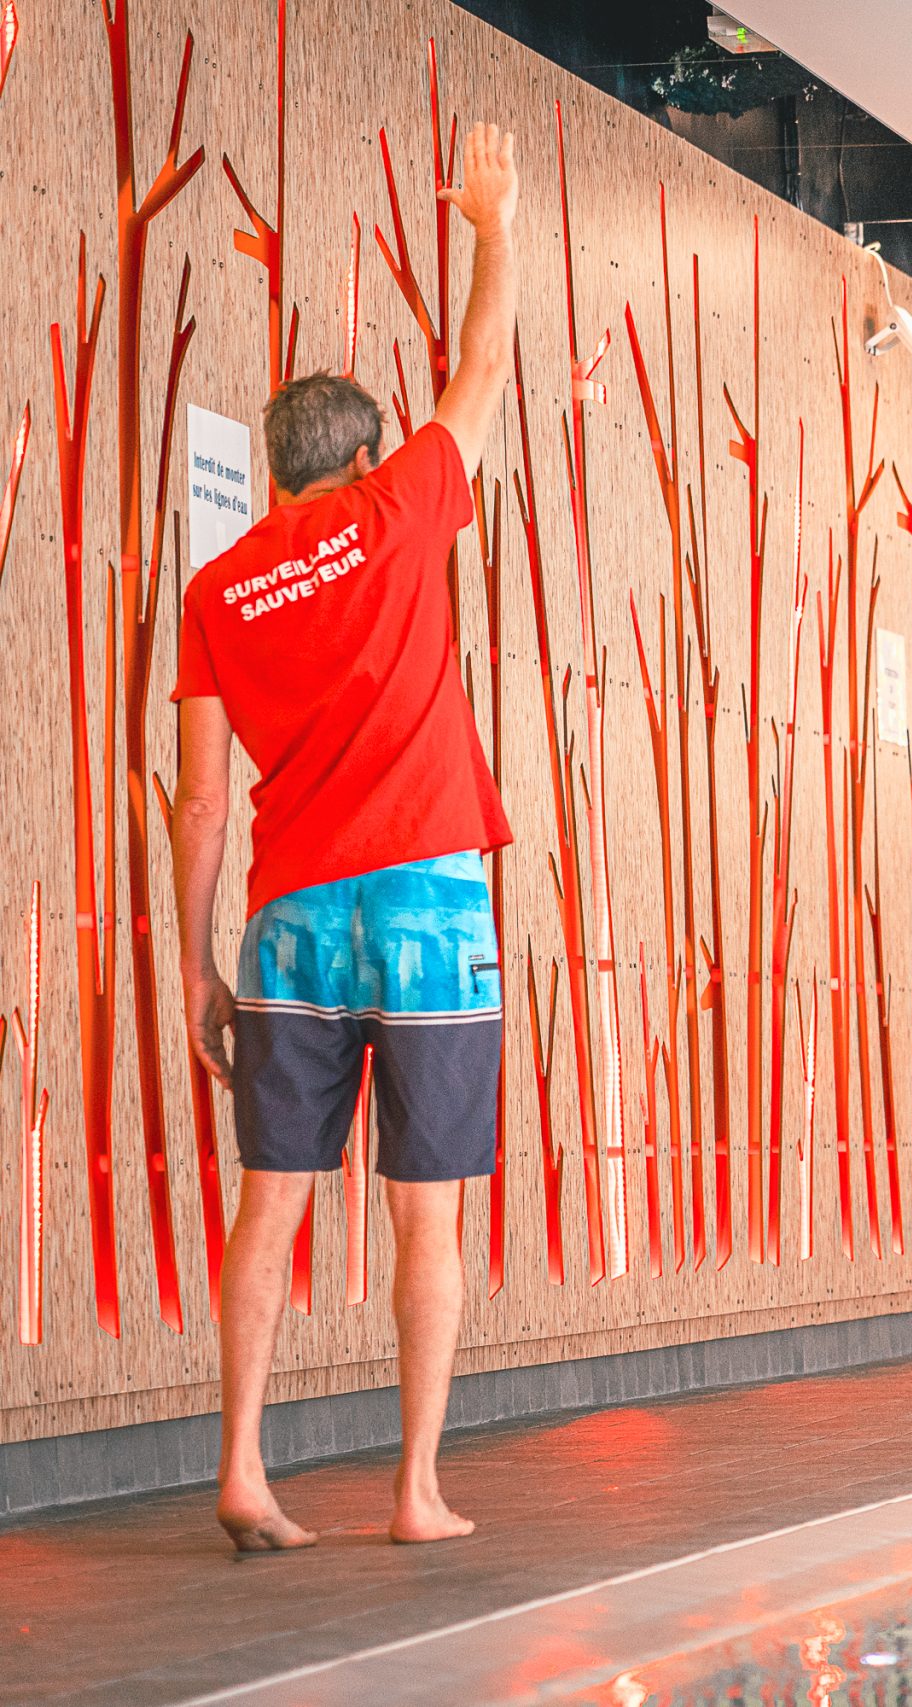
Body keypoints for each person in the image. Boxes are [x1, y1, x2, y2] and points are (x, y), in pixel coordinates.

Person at [173, 123, 520, 1552]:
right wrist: (493, 228)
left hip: (291, 915)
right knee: (427, 1213)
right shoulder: (401, 506)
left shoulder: (218, 589)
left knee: (274, 1200)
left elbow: (202, 800)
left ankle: (244, 1468)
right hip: (429, 899)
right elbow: (483, 366)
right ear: (368, 455)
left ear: (272, 481)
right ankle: (414, 1490)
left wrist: (195, 967)